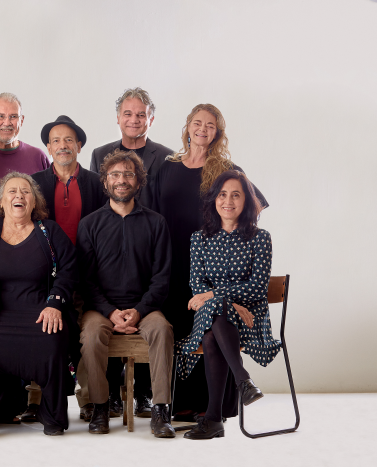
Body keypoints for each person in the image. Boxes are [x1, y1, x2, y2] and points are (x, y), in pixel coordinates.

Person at [149, 103, 269, 420]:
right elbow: (150, 215)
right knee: (180, 330)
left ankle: (215, 406)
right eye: (198, 122)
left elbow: (254, 206)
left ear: (218, 133)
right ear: (188, 126)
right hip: (174, 264)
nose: (203, 129)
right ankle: (182, 404)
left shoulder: (225, 168)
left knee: (210, 330)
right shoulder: (166, 167)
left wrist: (232, 241)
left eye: (211, 125)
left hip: (215, 270)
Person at [0, 173, 78, 437]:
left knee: (53, 337)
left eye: (26, 192)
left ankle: (51, 412)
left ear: (34, 202)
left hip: (40, 311)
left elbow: (69, 270)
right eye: (12, 191)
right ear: (1, 200)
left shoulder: (49, 231)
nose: (19, 196)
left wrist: (55, 303)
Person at [77, 149, 175, 438]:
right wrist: (110, 312)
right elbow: (85, 281)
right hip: (101, 308)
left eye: (128, 174)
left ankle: (160, 409)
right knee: (92, 334)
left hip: (144, 308)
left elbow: (162, 278)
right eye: (115, 175)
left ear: (139, 181)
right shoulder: (90, 224)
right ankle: (100, 407)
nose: (122, 180)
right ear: (105, 181)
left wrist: (140, 310)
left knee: (163, 329)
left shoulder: (156, 223)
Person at [178, 170, 281, 439]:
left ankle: (213, 419)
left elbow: (257, 287)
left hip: (250, 318)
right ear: (214, 200)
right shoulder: (199, 239)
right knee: (216, 315)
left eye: (236, 194)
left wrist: (217, 297)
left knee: (212, 332)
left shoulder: (260, 238)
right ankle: (243, 379)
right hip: (220, 314)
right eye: (223, 194)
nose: (228, 201)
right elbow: (197, 286)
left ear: (246, 200)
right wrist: (227, 302)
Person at [29, 115, 107, 422]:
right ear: (48, 147)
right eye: (56, 141)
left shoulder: (96, 184)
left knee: (85, 333)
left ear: (79, 145)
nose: (63, 146)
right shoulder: (35, 183)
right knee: (41, 330)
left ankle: (87, 399)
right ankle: (35, 398)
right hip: (46, 273)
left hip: (88, 273)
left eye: (69, 140)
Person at [90, 87, 173, 208]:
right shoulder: (99, 155)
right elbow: (95, 200)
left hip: (152, 226)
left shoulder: (167, 158)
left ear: (151, 120)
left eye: (141, 115)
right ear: (118, 118)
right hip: (109, 226)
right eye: (128, 114)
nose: (134, 120)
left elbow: (170, 204)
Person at [0, 92, 50, 184]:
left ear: (21, 121)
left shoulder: (38, 157)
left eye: (13, 116)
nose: (6, 123)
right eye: (1, 116)